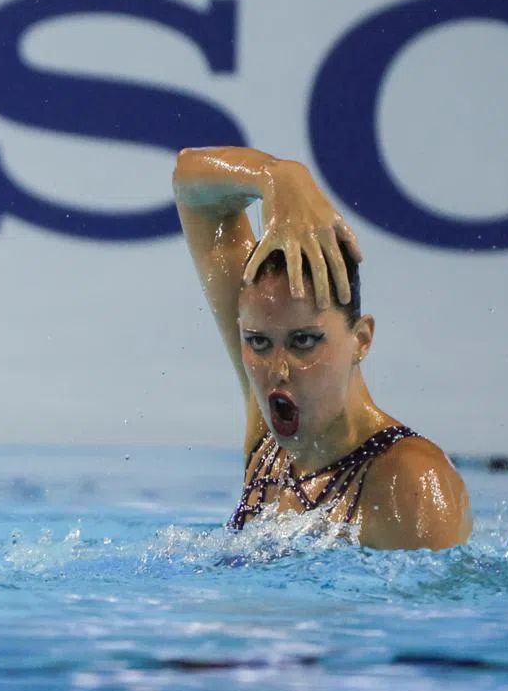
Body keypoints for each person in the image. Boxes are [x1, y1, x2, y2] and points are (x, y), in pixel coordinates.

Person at [172, 146, 472, 550]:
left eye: (304, 341)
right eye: (257, 342)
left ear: (361, 339)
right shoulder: (269, 445)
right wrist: (276, 174)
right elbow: (190, 183)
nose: (278, 368)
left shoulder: (410, 481)